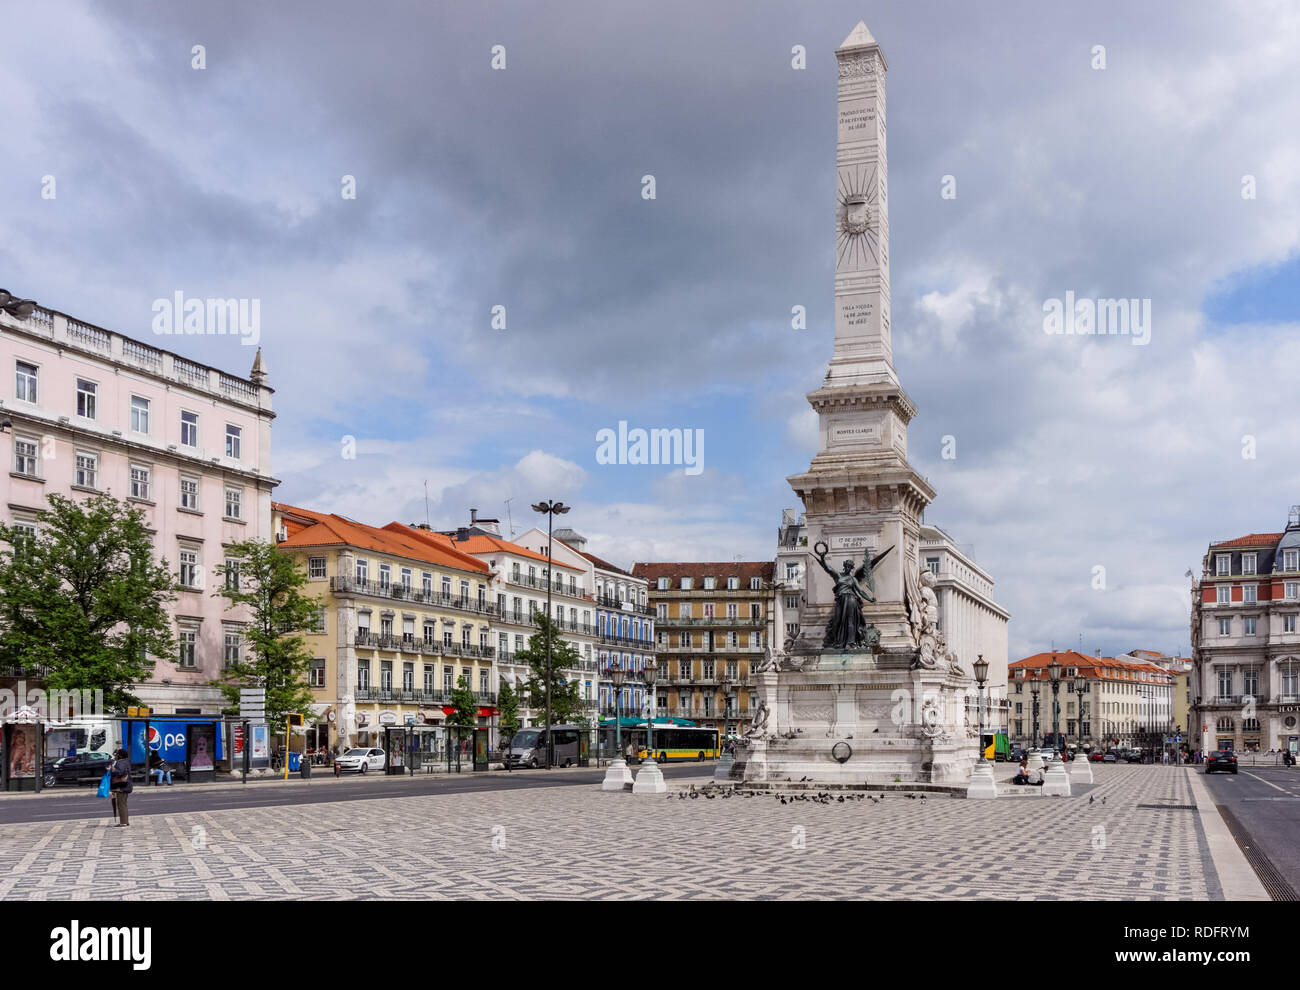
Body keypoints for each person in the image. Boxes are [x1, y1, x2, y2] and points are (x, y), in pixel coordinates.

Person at [108, 748, 132, 827]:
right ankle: (125, 821)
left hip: (121, 786)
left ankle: (123, 822)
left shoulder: (120, 763)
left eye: (116, 755)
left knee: (121, 805)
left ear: (120, 756)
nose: (115, 756)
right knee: (123, 804)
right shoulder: (126, 761)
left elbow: (120, 772)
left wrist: (113, 769)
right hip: (125, 785)